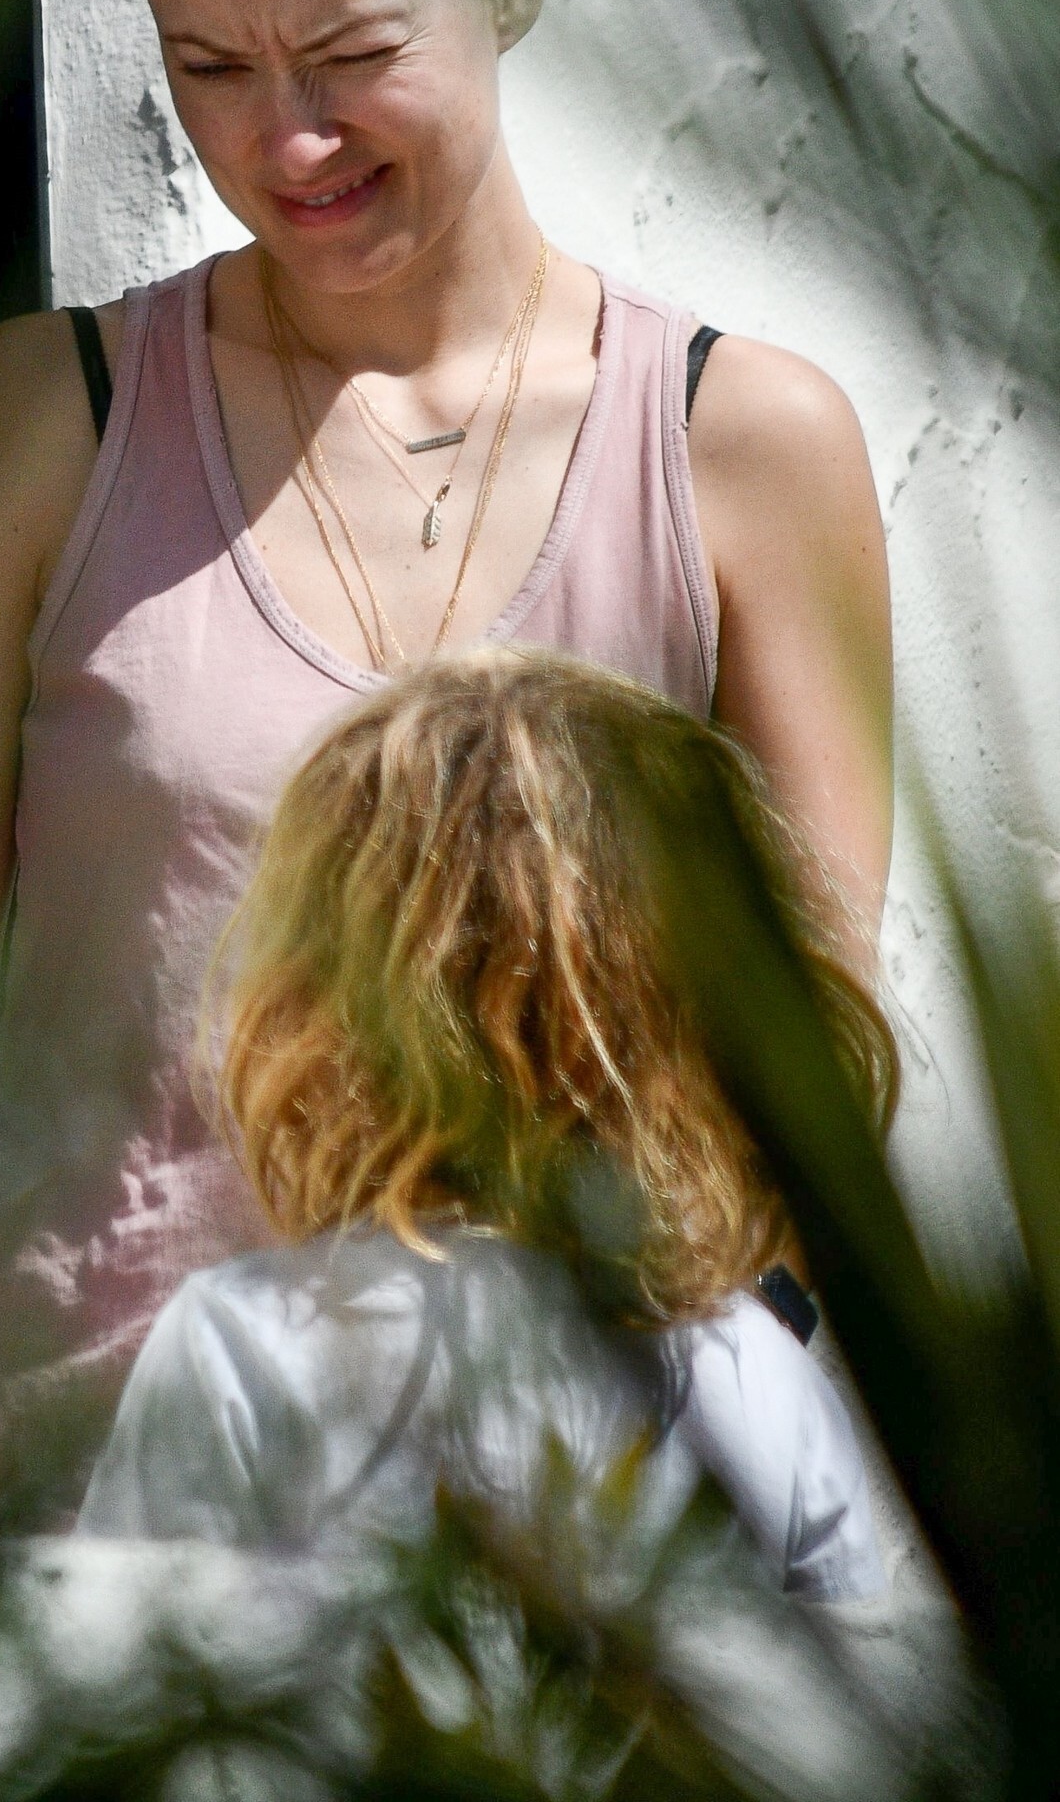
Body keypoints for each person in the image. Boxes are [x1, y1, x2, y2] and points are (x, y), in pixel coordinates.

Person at [0, 0, 893, 1519]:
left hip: (556, 1555)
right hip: (62, 1537)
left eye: (350, 51)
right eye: (206, 67)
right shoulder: (41, 423)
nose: (283, 143)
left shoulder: (742, 448)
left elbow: (804, 1103)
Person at [78, 649, 896, 1605]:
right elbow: (865, 1676)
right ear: (683, 1016)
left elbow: (114, 1660)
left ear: (328, 995)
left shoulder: (239, 1345)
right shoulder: (756, 1374)